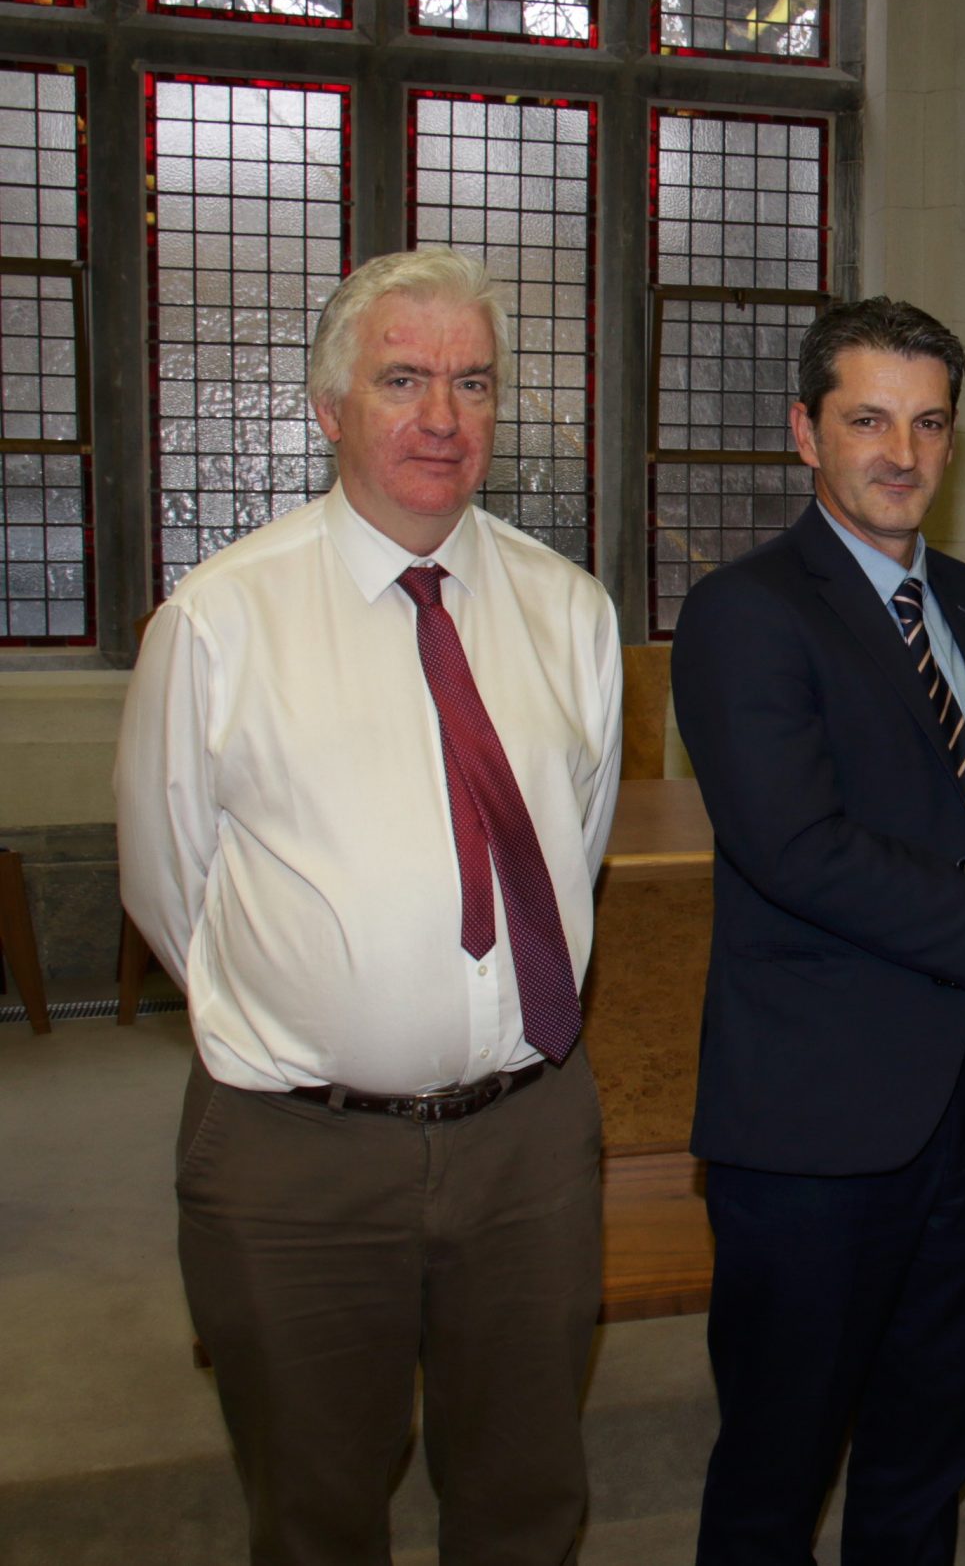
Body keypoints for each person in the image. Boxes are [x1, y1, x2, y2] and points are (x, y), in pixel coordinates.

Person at [116, 247, 623, 1565]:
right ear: (330, 406)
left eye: (472, 382)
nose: (442, 418)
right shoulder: (221, 622)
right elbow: (172, 890)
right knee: (316, 1508)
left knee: (526, 1499)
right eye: (402, 379)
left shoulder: (569, 613)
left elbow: (575, 845)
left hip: (528, 1139)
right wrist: (328, 1011)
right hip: (298, 1155)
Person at [671, 297, 965, 1566]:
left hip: (964, 1110)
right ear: (806, 432)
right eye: (867, 421)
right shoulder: (745, 611)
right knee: (777, 1467)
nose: (900, 453)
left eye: (927, 424)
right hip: (811, 1124)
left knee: (927, 1450)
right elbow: (797, 848)